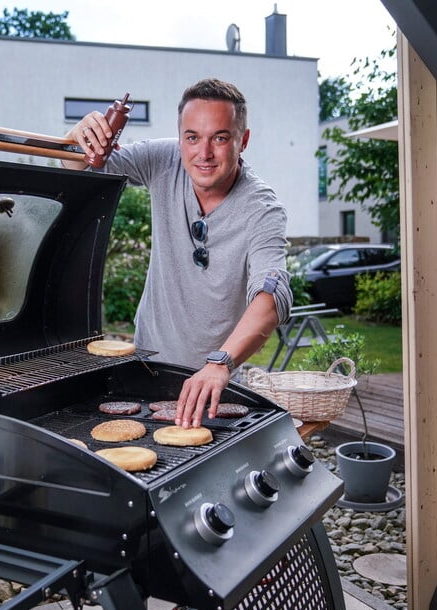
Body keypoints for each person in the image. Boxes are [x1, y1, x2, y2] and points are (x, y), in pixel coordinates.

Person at [64, 78, 292, 427]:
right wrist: (78, 138)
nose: (204, 153)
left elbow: (271, 296)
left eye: (220, 137)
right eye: (192, 137)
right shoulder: (164, 159)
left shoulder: (262, 208)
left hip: (216, 386)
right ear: (180, 137)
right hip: (145, 369)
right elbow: (81, 168)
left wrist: (218, 365)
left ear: (242, 141)